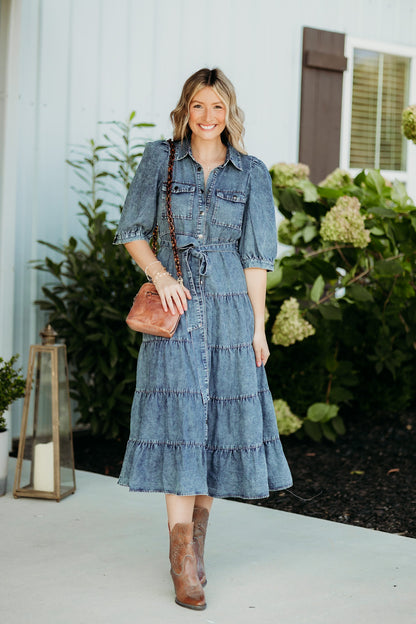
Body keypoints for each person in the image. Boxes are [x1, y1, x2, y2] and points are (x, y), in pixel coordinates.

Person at [114, 67, 293, 611]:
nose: (208, 117)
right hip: (177, 309)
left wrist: (258, 327)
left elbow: (257, 260)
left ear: (229, 112)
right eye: (198, 106)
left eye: (218, 107)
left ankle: (195, 550)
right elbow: (131, 231)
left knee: (212, 427)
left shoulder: (252, 174)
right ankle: (181, 561)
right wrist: (160, 276)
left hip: (231, 316)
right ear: (185, 110)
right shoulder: (159, 159)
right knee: (179, 424)